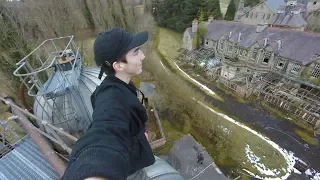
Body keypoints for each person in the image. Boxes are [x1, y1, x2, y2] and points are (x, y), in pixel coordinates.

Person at [61, 27, 155, 180]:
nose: (143, 56)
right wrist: (94, 172)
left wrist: (138, 135)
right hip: (129, 173)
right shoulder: (111, 97)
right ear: (118, 65)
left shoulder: (122, 85)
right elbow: (107, 129)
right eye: (136, 51)